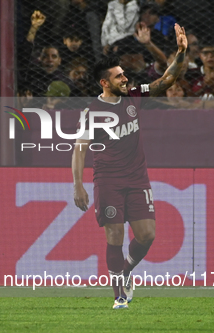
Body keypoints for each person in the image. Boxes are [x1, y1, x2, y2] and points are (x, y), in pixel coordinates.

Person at [72, 23, 188, 310]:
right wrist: (78, 186)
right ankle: (118, 295)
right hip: (108, 180)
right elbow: (79, 149)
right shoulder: (92, 112)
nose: (125, 78)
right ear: (104, 83)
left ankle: (125, 272)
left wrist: (182, 52)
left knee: (147, 234)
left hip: (138, 180)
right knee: (114, 235)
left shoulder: (135, 96)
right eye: (119, 76)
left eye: (124, 74)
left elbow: (166, 81)